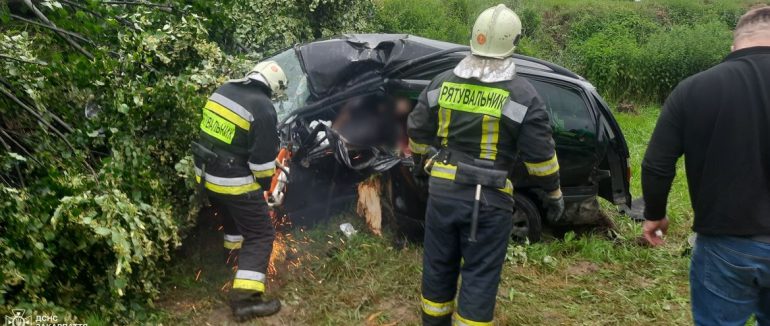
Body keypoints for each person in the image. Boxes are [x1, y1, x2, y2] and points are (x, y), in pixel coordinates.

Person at [407, 4, 564, 325]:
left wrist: (421, 162)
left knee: (438, 266)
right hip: (487, 201)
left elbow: (417, 131)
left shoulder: (442, 82)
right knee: (479, 275)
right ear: (512, 42)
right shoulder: (522, 95)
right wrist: (554, 194)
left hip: (442, 193)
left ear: (475, 38)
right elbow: (541, 158)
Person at [640, 6, 770, 325]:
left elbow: (657, 163)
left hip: (726, 242)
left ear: (735, 44)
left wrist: (655, 214)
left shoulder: (694, 88)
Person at [191, 61, 286, 321]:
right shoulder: (263, 107)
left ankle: (233, 259)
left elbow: (226, 138)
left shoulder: (224, 90)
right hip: (233, 182)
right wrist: (265, 190)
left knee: (233, 217)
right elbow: (263, 167)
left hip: (206, 176)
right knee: (261, 234)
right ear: (274, 88)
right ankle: (245, 301)